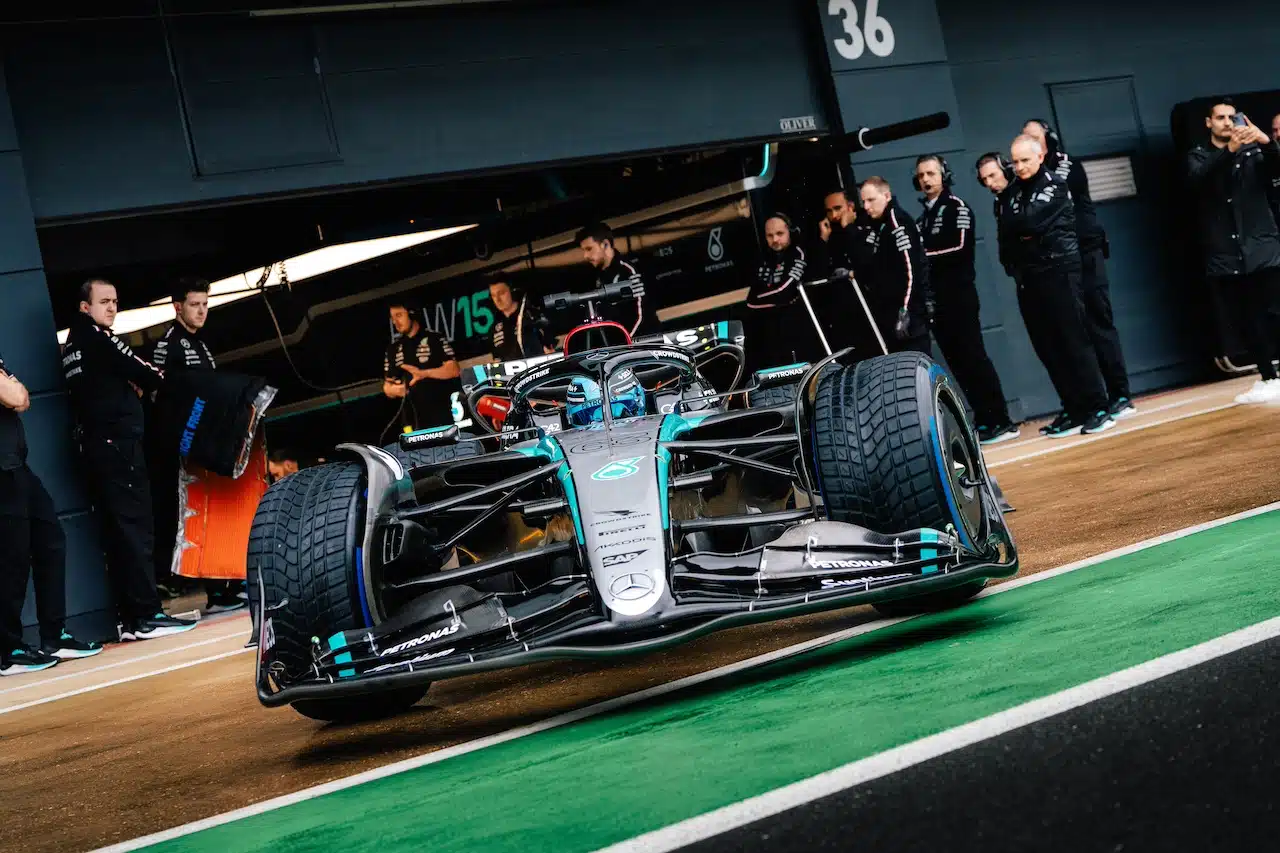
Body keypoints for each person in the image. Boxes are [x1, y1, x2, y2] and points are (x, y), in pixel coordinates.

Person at [61, 280, 197, 640]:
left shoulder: (72, 345)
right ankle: (148, 615)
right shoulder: (96, 337)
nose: (112, 308)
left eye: (115, 302)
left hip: (96, 447)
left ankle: (131, 617)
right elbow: (144, 370)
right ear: (84, 307)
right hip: (117, 445)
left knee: (118, 532)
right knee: (136, 528)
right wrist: (144, 381)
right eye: (104, 301)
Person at [1022, 120, 1135, 418]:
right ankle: (1088, 401)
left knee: (1099, 322)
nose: (1030, 143)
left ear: (1048, 140)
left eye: (1035, 137)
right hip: (1059, 260)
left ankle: (1120, 393)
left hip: (1085, 252)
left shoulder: (1065, 167)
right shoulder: (1028, 179)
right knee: (1074, 331)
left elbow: (1048, 207)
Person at [1003, 137, 1114, 437]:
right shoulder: (1012, 192)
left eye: (1025, 160)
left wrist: (1021, 228)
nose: (1020, 167)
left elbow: (1030, 222)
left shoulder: (1054, 184)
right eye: (1015, 161)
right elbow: (1008, 228)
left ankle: (1098, 406)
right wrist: (1019, 236)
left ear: (1040, 156)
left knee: (1073, 340)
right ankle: (1074, 407)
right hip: (1029, 276)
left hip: (1059, 271)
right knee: (1048, 347)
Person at [1, 352, 103, 675]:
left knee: (50, 539)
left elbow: (22, 397)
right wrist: (12, 389)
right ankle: (8, 650)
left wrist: (13, 390)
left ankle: (53, 635)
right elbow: (13, 395)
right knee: (12, 558)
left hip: (17, 465)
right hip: (0, 471)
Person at [147, 278, 244, 614]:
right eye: (194, 305)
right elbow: (161, 398)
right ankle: (178, 582)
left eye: (205, 304)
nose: (202, 310)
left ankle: (220, 588)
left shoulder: (201, 345)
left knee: (212, 512)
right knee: (187, 516)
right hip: (181, 447)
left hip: (206, 442)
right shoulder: (169, 344)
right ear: (178, 307)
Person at [913, 155, 1019, 445]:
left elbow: (958, 247)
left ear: (944, 175)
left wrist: (921, 257)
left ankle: (1001, 420)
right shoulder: (924, 217)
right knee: (958, 364)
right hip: (938, 301)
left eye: (931, 173)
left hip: (959, 296)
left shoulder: (956, 207)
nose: (925, 179)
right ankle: (985, 420)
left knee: (973, 357)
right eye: (921, 175)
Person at [1186, 100, 1280, 404]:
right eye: (1221, 118)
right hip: (1227, 251)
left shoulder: (1255, 151)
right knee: (1248, 317)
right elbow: (1199, 181)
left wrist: (1267, 142)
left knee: (1273, 310)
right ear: (1208, 123)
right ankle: (1268, 376)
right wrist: (1229, 152)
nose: (1228, 123)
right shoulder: (1198, 156)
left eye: (1232, 117)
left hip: (1262, 245)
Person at [852, 177, 933, 355]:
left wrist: (906, 309)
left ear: (886, 196)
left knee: (919, 364)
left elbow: (912, 269)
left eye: (871, 200)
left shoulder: (898, 222)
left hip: (907, 314)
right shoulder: (877, 225)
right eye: (864, 201)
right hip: (888, 313)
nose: (866, 206)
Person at [745, 213, 824, 369]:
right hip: (769, 332)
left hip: (795, 328)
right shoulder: (764, 258)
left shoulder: (797, 253)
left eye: (780, 234)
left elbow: (785, 292)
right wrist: (770, 298)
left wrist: (763, 298)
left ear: (791, 232)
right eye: (770, 235)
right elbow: (750, 300)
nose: (775, 240)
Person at [381, 301, 463, 430]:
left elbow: (454, 370)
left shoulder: (434, 338)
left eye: (399, 315)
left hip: (440, 414)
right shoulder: (393, 349)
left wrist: (424, 374)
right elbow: (387, 386)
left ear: (412, 313)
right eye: (393, 317)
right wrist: (396, 390)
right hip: (410, 421)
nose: (395, 322)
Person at [574, 222, 658, 338]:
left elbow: (641, 315)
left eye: (589, 249)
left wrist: (626, 345)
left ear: (605, 244)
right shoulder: (598, 277)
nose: (585, 256)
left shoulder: (628, 271)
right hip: (618, 348)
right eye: (583, 250)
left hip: (645, 343)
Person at [488, 278, 553, 361]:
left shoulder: (532, 315)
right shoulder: (493, 328)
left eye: (501, 293)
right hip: (512, 373)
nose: (497, 299)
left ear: (512, 291)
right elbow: (497, 360)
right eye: (493, 295)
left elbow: (549, 347)